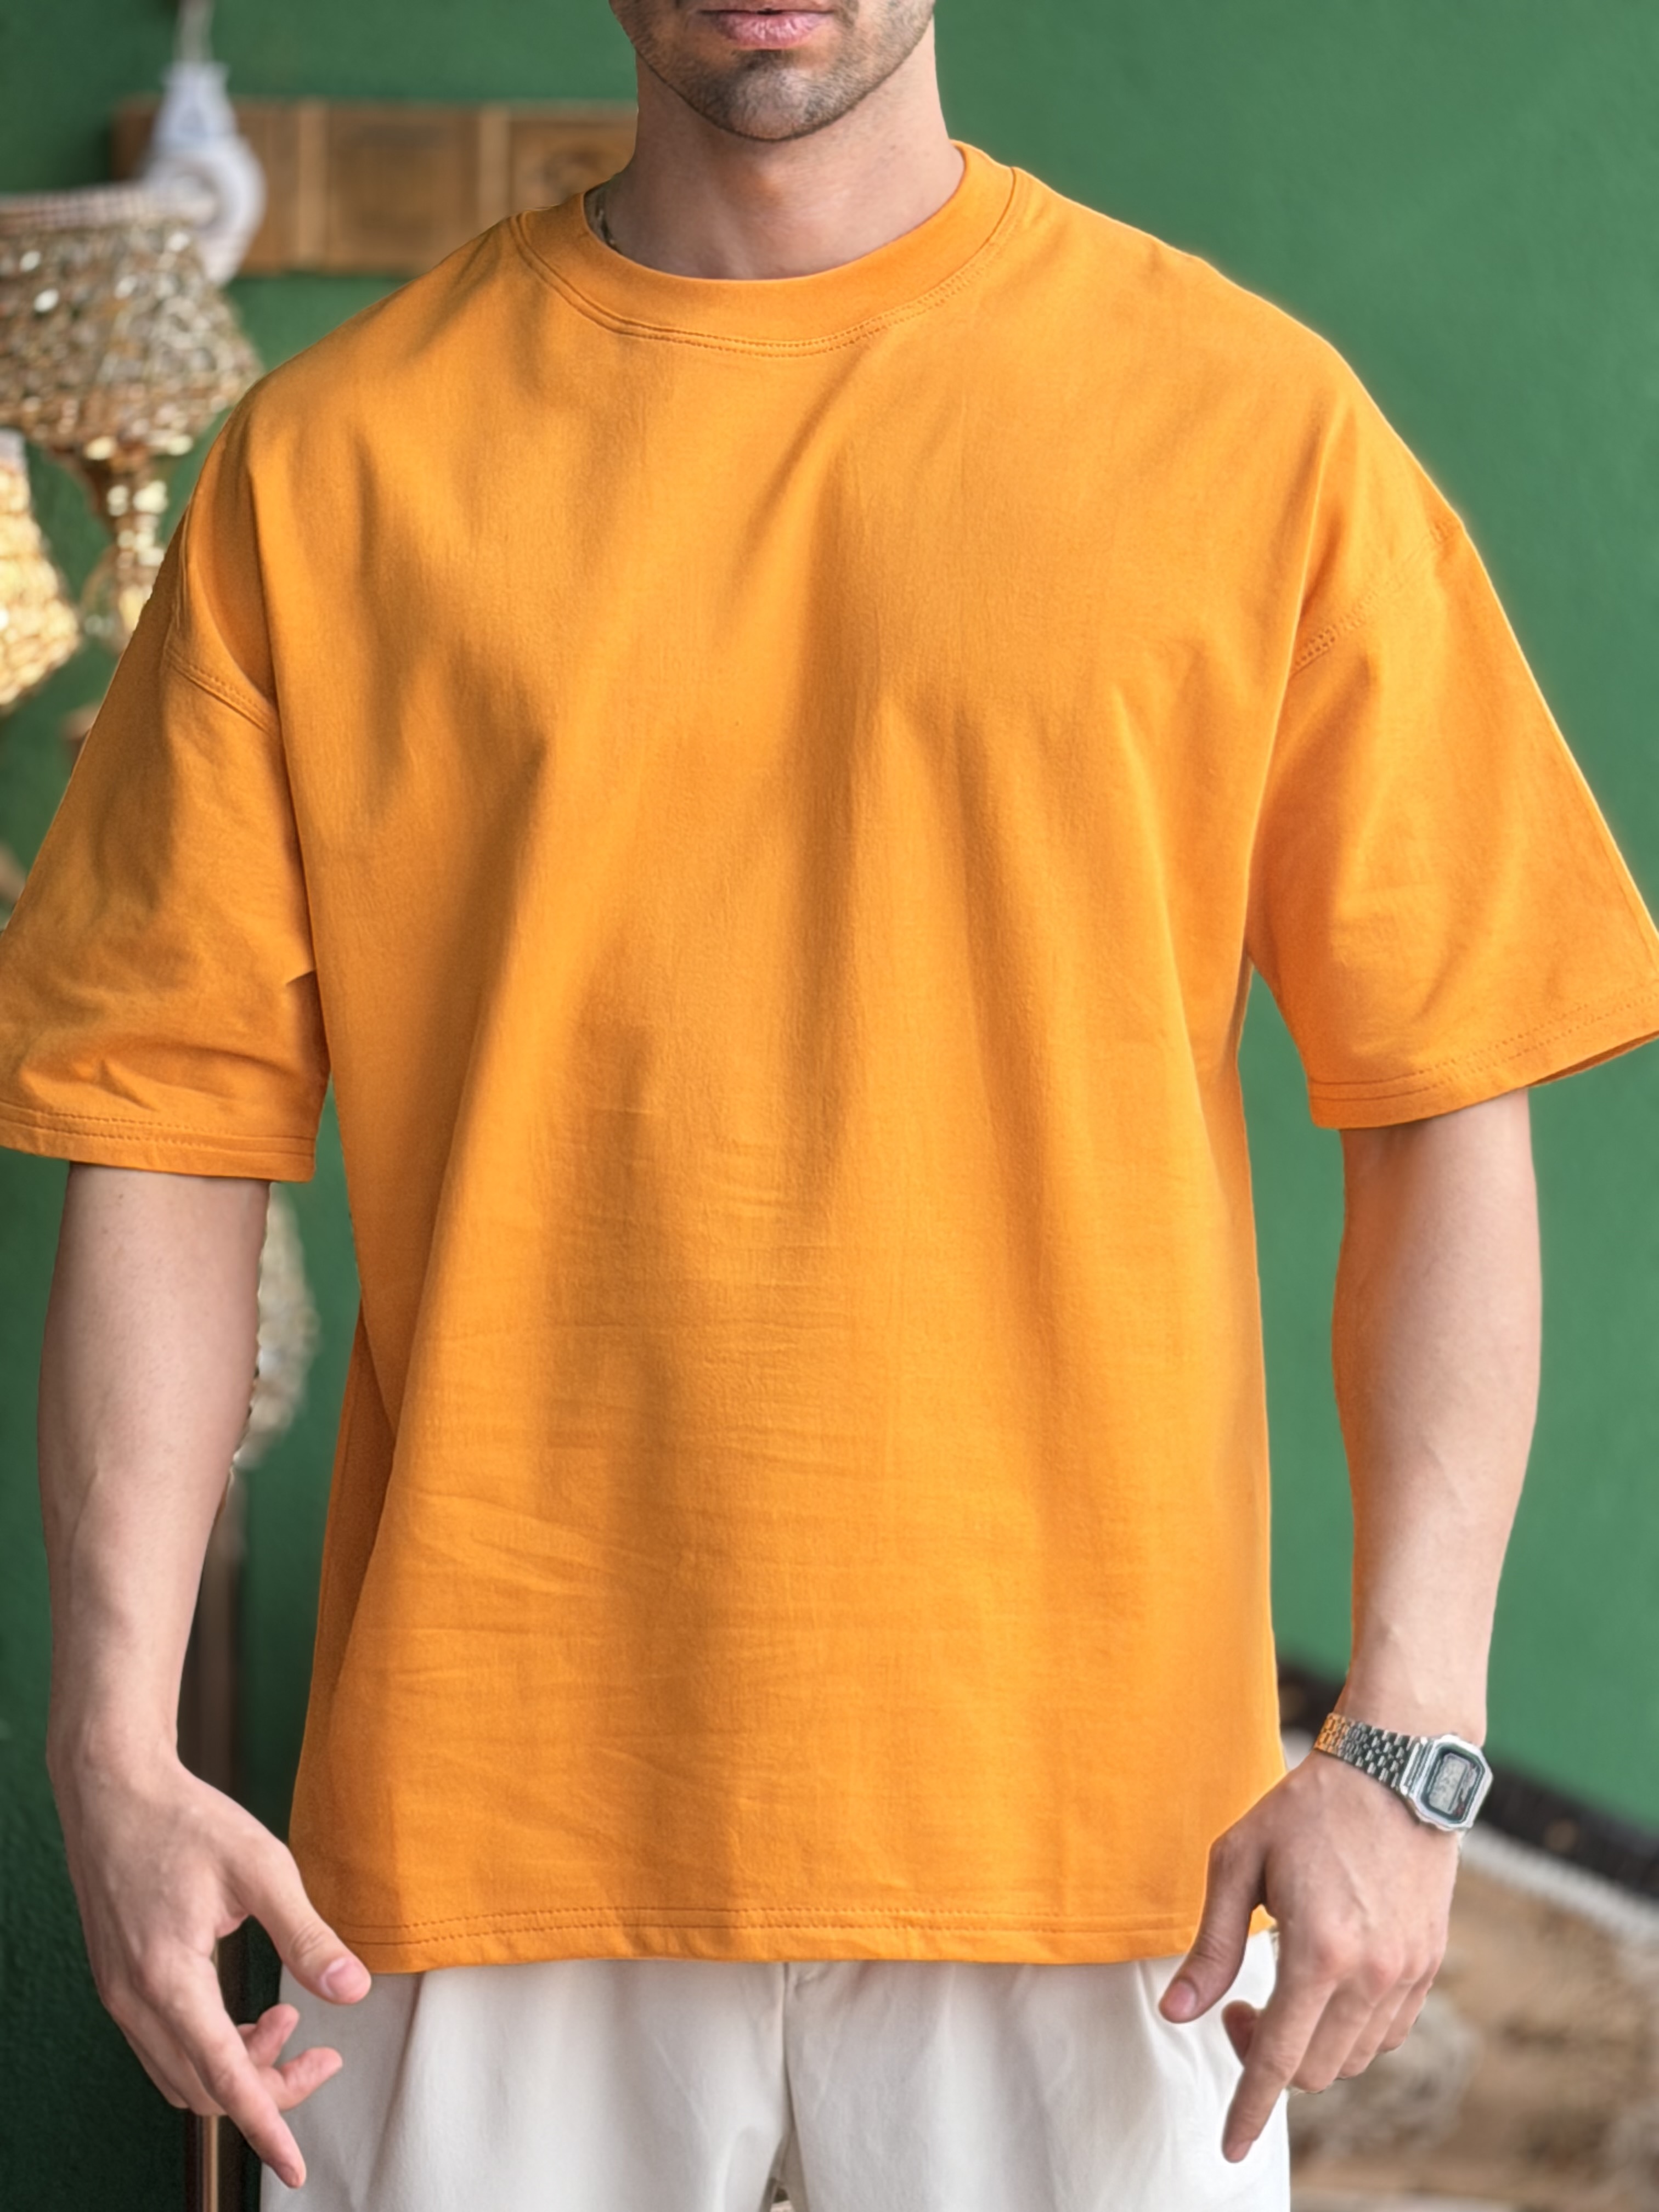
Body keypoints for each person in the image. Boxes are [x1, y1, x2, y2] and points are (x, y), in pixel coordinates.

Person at [4, 3, 1658, 2207]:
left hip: (1104, 1859)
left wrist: (1412, 1747)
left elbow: (1446, 1094)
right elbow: (161, 1125)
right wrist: (111, 1746)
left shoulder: (1252, 430)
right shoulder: (330, 469)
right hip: (486, 1832)